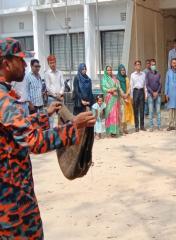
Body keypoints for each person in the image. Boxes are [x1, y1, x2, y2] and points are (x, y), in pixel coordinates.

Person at [0, 37, 95, 239]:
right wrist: (73, 127)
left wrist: (46, 114)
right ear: (6, 64)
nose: (25, 65)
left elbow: (17, 129)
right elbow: (32, 141)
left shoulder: (5, 96)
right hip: (13, 204)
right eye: (20, 59)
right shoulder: (3, 101)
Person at [44, 55, 64, 127]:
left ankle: (61, 133)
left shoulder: (60, 72)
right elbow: (48, 87)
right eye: (51, 63)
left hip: (60, 97)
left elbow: (63, 85)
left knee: (61, 116)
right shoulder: (47, 73)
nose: (53, 64)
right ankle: (52, 134)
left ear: (56, 62)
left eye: (54, 62)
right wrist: (56, 95)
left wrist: (60, 93)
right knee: (51, 118)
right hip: (51, 98)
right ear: (48, 64)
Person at [101, 65, 121, 137]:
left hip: (115, 98)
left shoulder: (114, 78)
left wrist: (115, 89)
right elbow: (103, 88)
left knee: (115, 114)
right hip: (108, 98)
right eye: (108, 70)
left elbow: (117, 86)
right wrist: (111, 90)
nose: (109, 71)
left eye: (110, 70)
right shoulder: (104, 79)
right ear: (106, 71)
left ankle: (114, 131)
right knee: (109, 114)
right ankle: (109, 131)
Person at [117, 64, 134, 134]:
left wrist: (127, 94)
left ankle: (125, 128)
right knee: (121, 113)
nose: (123, 71)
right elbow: (118, 87)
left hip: (127, 97)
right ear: (119, 71)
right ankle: (120, 129)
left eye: (124, 70)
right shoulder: (117, 78)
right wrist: (123, 94)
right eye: (121, 70)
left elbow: (129, 87)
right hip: (120, 98)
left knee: (126, 112)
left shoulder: (126, 78)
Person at [130, 60, 147, 132]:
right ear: (135, 66)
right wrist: (131, 96)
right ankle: (136, 126)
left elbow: (145, 85)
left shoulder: (143, 74)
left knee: (142, 109)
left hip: (141, 92)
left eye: (139, 64)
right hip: (135, 92)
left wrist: (146, 94)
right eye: (137, 64)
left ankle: (142, 126)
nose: (138, 66)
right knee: (135, 110)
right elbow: (131, 86)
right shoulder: (132, 75)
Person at [146, 59, 162, 131]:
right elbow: (147, 85)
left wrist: (157, 92)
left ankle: (159, 126)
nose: (153, 66)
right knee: (151, 111)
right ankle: (151, 126)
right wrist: (152, 92)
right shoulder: (148, 74)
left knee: (158, 111)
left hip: (158, 94)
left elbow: (160, 84)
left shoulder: (158, 74)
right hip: (150, 94)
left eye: (154, 64)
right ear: (150, 65)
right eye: (152, 65)